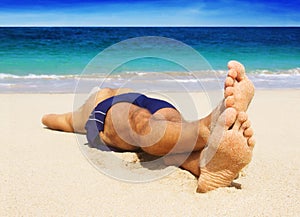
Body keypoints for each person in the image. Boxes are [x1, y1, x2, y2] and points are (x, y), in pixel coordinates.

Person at [42, 60, 255, 193]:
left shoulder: (93, 101)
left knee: (154, 125)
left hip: (131, 104)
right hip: (146, 103)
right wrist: (48, 119)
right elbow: (59, 121)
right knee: (149, 123)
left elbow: (59, 120)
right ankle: (201, 143)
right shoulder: (99, 101)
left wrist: (46, 118)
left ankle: (202, 149)